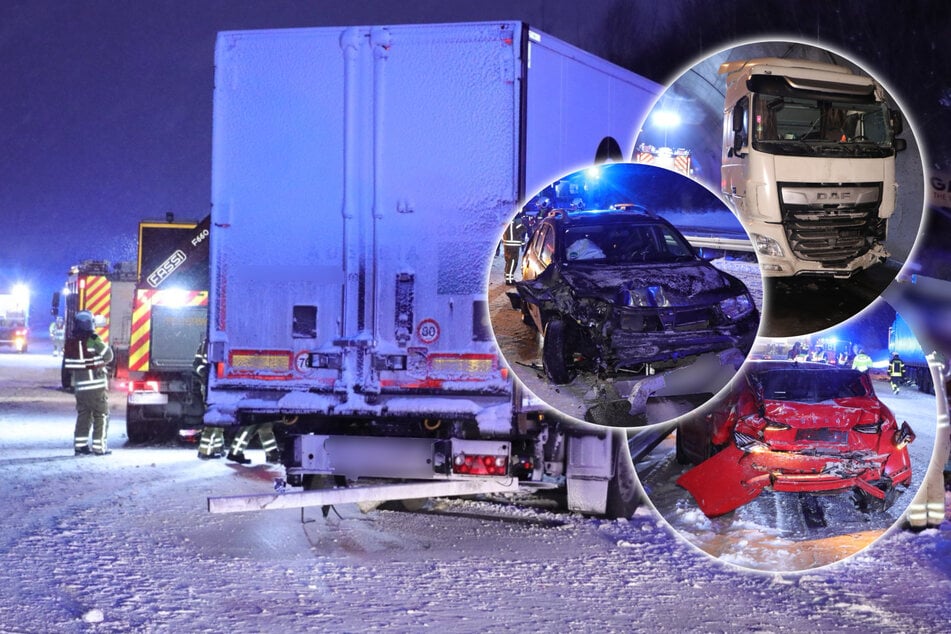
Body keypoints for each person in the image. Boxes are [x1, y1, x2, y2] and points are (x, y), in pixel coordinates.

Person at [63, 311, 113, 456]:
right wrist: (100, 362)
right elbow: (109, 355)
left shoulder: (71, 342)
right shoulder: (93, 339)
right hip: (96, 386)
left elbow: (69, 366)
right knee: (101, 415)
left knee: (84, 415)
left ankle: (80, 446)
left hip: (80, 387)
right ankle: (99, 447)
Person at [194, 339, 225, 459]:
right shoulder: (206, 343)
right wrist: (205, 373)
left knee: (219, 417)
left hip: (218, 386)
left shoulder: (210, 342)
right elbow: (196, 363)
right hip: (211, 388)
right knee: (213, 418)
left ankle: (217, 447)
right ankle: (204, 451)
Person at [502, 213, 527, 285]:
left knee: (508, 261)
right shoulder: (517, 220)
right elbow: (519, 231)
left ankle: (508, 277)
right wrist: (524, 227)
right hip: (513, 245)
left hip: (506, 243)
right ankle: (509, 280)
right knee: (512, 262)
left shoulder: (505, 219)